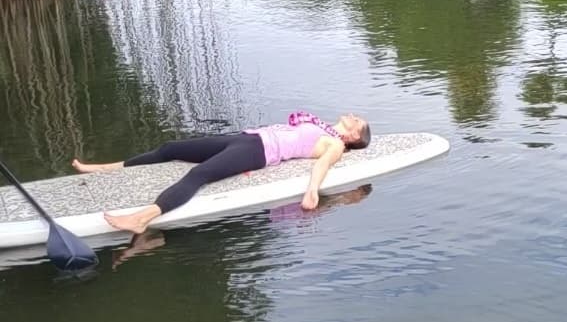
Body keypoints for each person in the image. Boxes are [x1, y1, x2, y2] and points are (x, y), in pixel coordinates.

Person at [72, 111, 371, 234]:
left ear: (354, 137)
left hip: (259, 152)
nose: (355, 116)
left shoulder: (334, 144)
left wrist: (312, 191)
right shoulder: (324, 127)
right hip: (247, 138)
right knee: (169, 147)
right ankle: (104, 169)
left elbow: (321, 165)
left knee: (198, 175)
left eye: (359, 121)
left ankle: (141, 219)